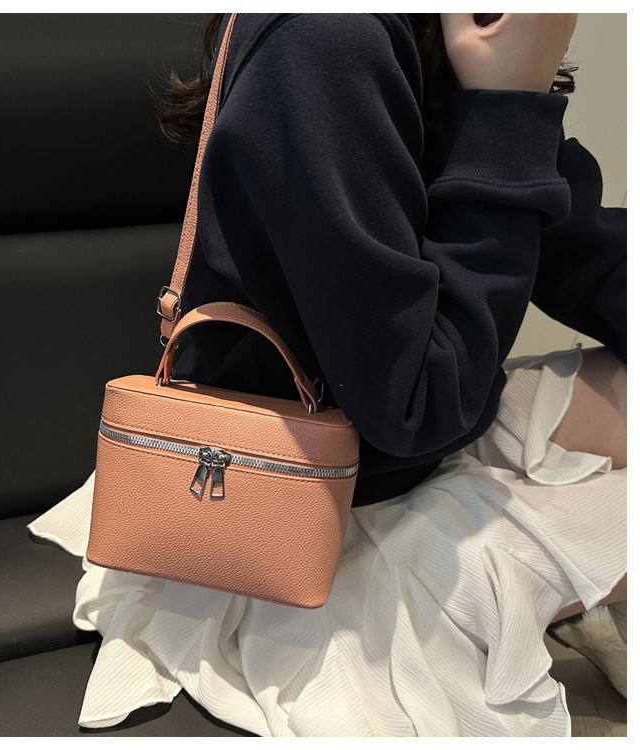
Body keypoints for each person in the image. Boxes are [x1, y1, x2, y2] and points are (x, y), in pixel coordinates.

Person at [30, 13, 626, 736]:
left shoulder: (443, 33)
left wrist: (509, 107)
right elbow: (417, 409)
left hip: (397, 445)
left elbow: (580, 251)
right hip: (295, 523)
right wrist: (507, 110)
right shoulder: (327, 39)